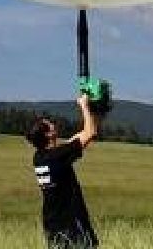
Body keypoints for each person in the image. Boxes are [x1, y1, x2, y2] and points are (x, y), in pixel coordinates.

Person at [26, 93, 99, 247]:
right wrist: (84, 105)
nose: (53, 124)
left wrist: (92, 112)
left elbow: (77, 138)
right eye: (50, 124)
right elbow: (90, 133)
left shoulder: (39, 157)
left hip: (52, 221)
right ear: (48, 134)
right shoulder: (58, 156)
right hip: (70, 220)